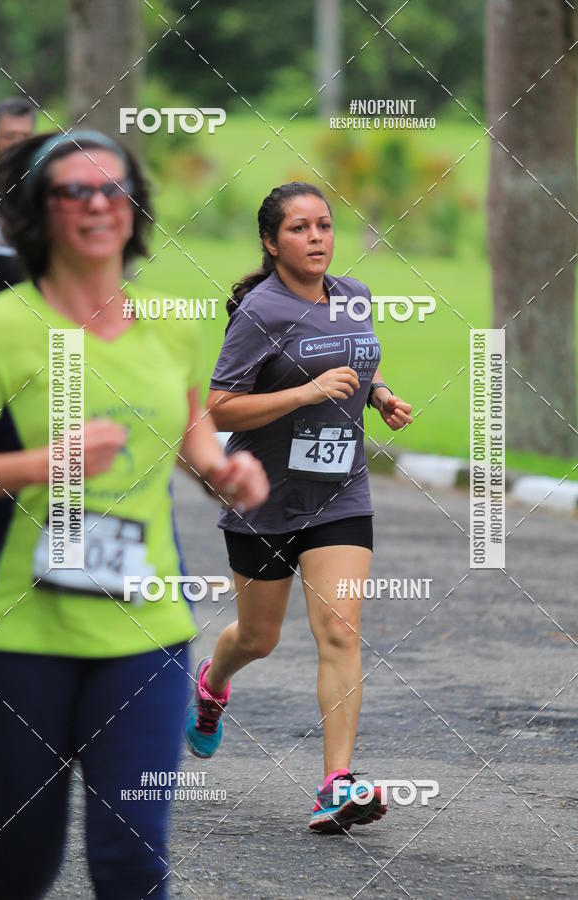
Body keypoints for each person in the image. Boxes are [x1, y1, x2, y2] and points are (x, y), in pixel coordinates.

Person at [0, 130, 268, 899]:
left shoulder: (169, 325)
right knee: (21, 862)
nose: (98, 204)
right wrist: (46, 463)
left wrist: (222, 471)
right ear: (42, 211)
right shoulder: (0, 329)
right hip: (22, 630)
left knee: (132, 858)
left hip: (147, 631)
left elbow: (189, 429)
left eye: (113, 188)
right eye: (75, 190)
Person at [185, 181, 413, 833]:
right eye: (299, 228)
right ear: (270, 241)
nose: (316, 237)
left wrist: (379, 395)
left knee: (340, 629)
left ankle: (335, 784)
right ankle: (213, 682)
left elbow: (359, 362)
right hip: (264, 496)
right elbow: (221, 406)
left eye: (324, 225)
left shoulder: (355, 296)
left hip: (340, 491)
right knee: (257, 638)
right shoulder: (260, 311)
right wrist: (305, 393)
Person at [0, 98, 36, 305]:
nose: (19, 143)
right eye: (10, 136)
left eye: (25, 136)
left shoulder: (43, 187)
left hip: (36, 303)